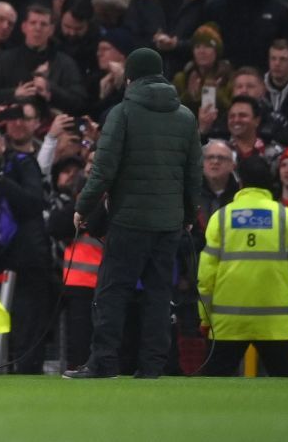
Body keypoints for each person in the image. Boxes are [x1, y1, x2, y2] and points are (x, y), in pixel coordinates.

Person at [69, 47, 203, 379]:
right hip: (169, 223)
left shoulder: (123, 113)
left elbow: (103, 171)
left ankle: (103, 362)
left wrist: (83, 207)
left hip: (128, 219)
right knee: (159, 296)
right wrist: (187, 214)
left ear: (129, 77)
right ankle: (153, 367)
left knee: (113, 292)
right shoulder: (185, 116)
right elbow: (193, 174)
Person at [196, 152, 288, 377]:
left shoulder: (221, 218)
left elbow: (206, 274)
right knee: (286, 390)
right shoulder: (286, 218)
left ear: (239, 181)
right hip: (275, 323)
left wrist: (204, 317)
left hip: (228, 322)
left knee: (212, 389)